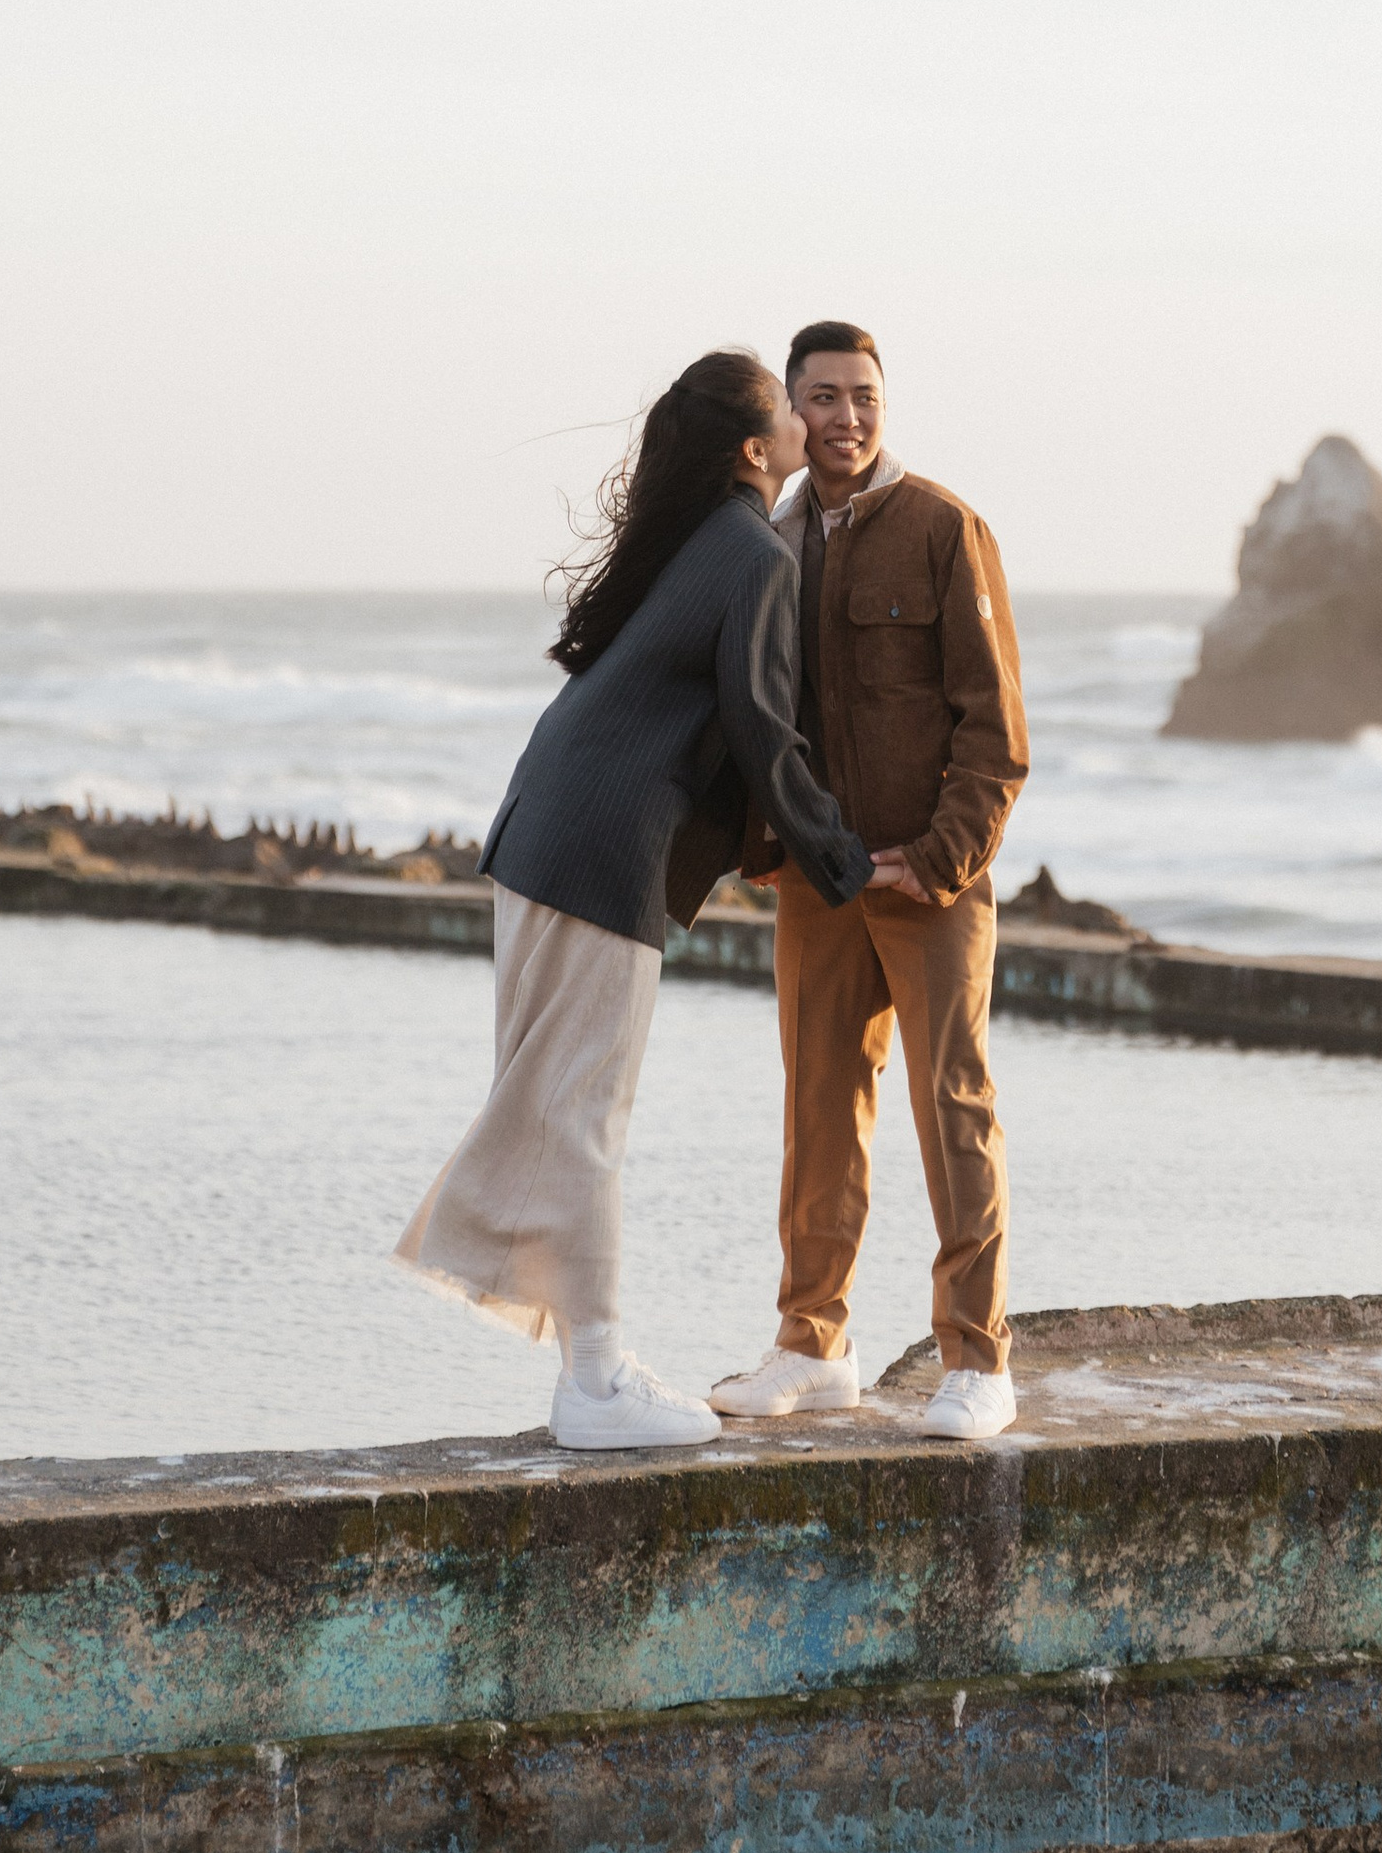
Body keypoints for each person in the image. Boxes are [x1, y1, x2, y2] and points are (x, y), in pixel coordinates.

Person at [394, 348, 875, 1450]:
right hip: (603, 848)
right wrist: (843, 861)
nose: (817, 425)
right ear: (759, 451)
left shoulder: (699, 539)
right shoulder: (751, 550)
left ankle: (590, 1371)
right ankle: (597, 1380)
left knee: (561, 1105)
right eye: (792, 415)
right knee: (583, 1113)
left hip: (546, 828)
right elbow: (764, 730)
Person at [711, 320, 1029, 1441]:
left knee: (951, 1108)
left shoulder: (943, 528)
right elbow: (754, 717)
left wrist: (939, 861)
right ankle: (813, 1344)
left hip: (930, 884)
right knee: (816, 1110)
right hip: (820, 881)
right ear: (789, 416)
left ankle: (978, 1359)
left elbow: (995, 732)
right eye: (822, 399)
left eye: (862, 396)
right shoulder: (770, 540)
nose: (844, 417)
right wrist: (763, 849)